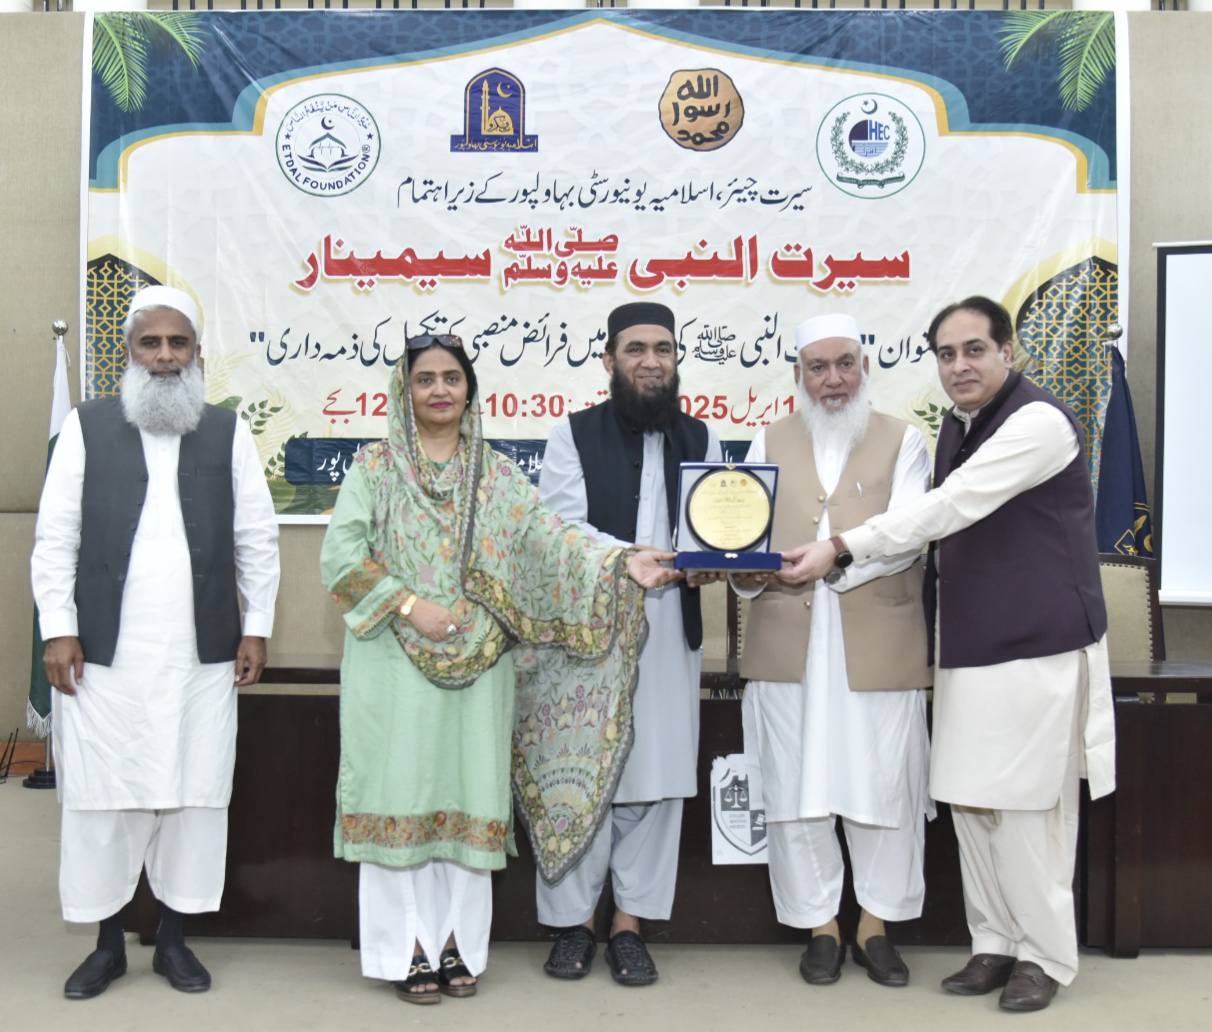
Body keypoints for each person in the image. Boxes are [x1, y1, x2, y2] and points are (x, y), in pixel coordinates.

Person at [320, 332, 678, 1005]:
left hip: (483, 663)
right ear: (404, 390)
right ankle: (407, 950)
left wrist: (620, 560)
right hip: (393, 662)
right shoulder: (373, 467)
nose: (440, 390)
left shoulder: (499, 476)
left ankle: (457, 945)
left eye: (452, 378)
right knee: (402, 799)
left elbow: (550, 540)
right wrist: (412, 606)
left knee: (468, 800)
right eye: (425, 379)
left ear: (470, 390)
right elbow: (341, 560)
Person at [780, 296, 1115, 1012]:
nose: (959, 366)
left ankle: (1044, 956)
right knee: (971, 803)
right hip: (969, 646)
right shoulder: (960, 427)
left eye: (975, 350)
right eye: (947, 354)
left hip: (1037, 647)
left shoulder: (1038, 422)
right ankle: (993, 943)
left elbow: (951, 506)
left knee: (1029, 810)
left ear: (1009, 352)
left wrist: (841, 545)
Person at [31, 285, 280, 999]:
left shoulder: (228, 430)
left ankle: (173, 940)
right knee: (102, 799)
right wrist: (59, 628)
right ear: (130, 353)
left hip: (200, 656)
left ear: (197, 353)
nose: (165, 356)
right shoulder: (86, 426)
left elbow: (256, 536)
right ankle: (107, 945)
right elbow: (56, 536)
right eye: (151, 343)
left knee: (194, 794)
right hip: (103, 659)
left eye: (178, 343)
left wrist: (257, 624)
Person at [734, 313, 932, 988]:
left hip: (877, 643)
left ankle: (875, 926)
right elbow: (740, 536)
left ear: (865, 367)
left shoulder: (904, 441)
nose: (833, 379)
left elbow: (908, 534)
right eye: (818, 367)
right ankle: (820, 926)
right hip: (786, 642)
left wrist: (833, 561)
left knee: (886, 785)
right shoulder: (767, 439)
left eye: (845, 363)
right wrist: (745, 572)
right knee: (795, 789)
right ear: (798, 375)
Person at [534, 301, 721, 987]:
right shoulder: (572, 434)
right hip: (588, 634)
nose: (650, 361)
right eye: (635, 349)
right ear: (609, 360)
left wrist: (713, 560)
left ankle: (629, 926)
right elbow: (559, 533)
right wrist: (627, 559)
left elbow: (718, 526)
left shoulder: (701, 438)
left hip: (670, 632)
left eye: (662, 349)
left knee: (657, 782)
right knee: (581, 776)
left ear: (676, 360)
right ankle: (573, 925)